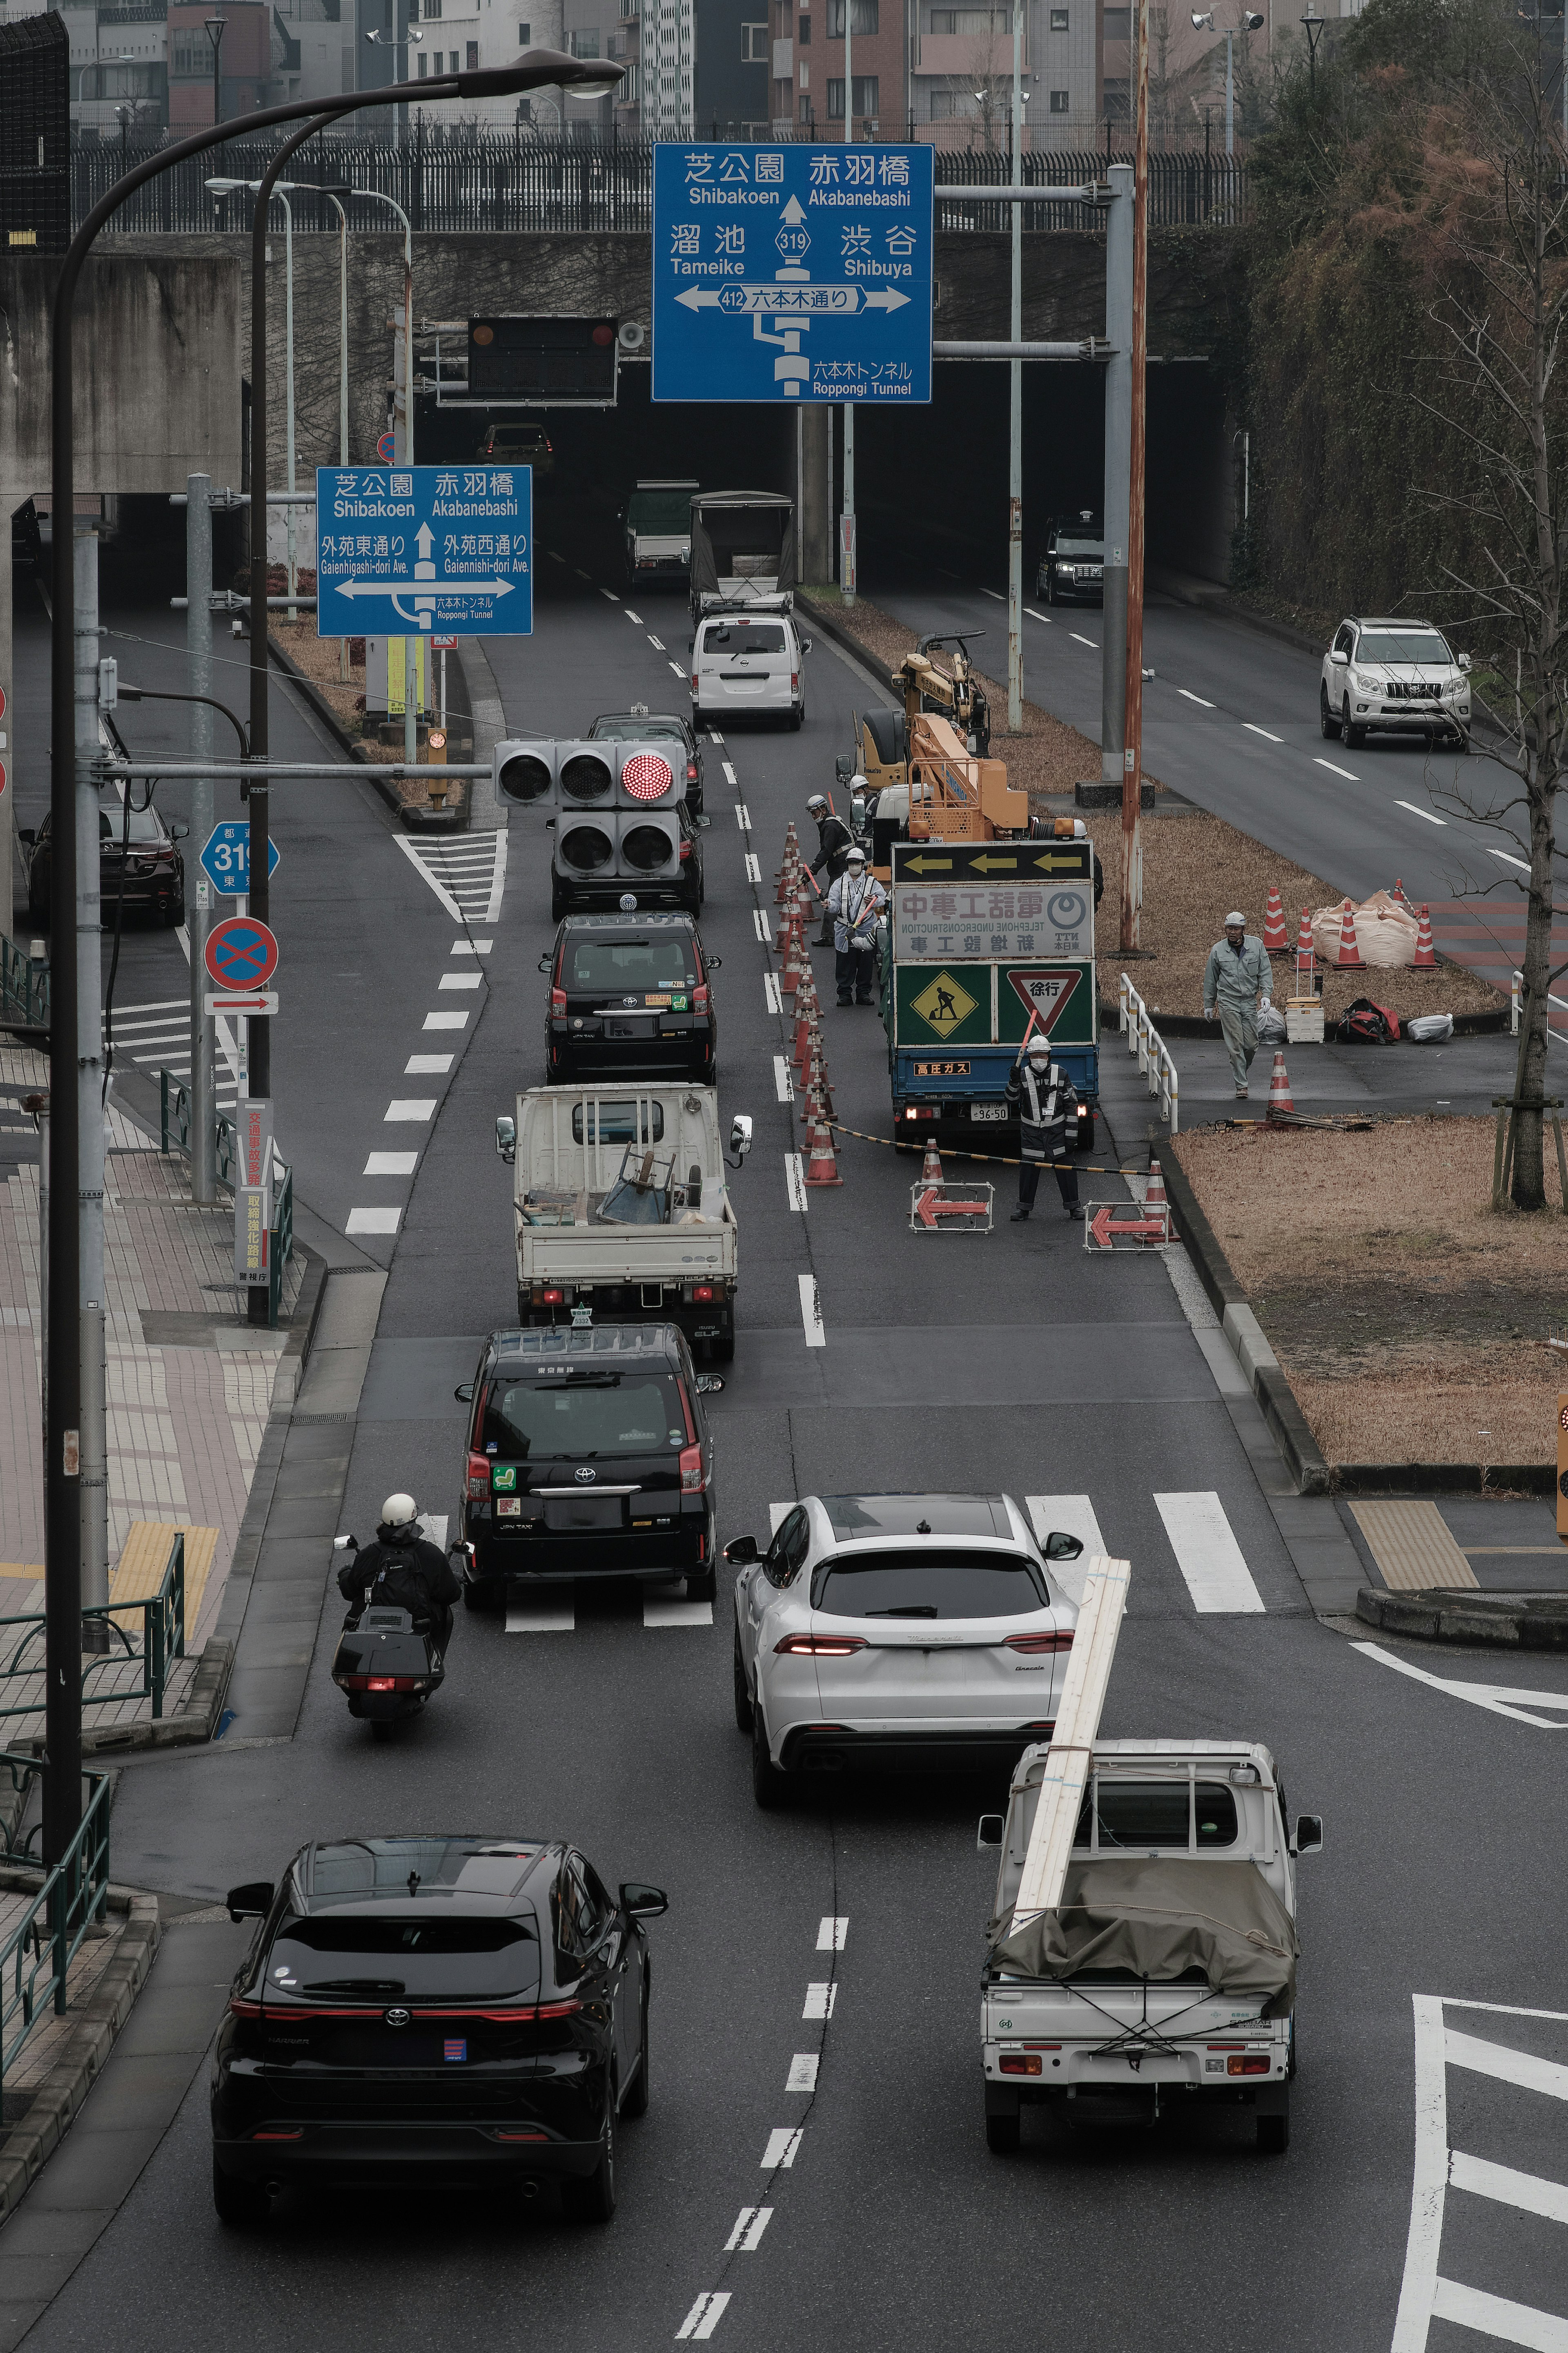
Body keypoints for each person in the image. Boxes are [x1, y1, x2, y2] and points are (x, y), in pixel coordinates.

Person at [338, 1493, 462, 1653]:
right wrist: (455, 1581)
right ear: (414, 1519)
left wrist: (345, 1575)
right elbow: (450, 1595)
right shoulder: (432, 1554)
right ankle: (435, 1655)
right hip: (418, 1636)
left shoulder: (369, 1554)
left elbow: (350, 1592)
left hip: (371, 1638)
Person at [1006, 1036, 1085, 1220]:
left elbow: (1071, 1107)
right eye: (1035, 1055)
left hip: (1057, 1132)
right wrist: (1014, 1082)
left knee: (1066, 1169)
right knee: (1028, 1172)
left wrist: (1071, 1137)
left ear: (1049, 1056)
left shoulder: (1061, 1074)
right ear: (1029, 1057)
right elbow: (1011, 1100)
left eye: (1042, 1055)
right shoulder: (1022, 1074)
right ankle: (1023, 1209)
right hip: (1032, 1134)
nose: (1039, 1059)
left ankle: (1074, 1208)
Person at [1203, 909, 1274, 1100]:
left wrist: (1266, 995)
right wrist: (1209, 1004)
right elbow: (1211, 979)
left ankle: (1241, 1068)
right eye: (1229, 929)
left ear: (1243, 929)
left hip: (1249, 1002)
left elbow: (1265, 972)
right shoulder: (1218, 950)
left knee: (1251, 1045)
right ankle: (1241, 1085)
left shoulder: (1257, 946)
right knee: (1235, 1045)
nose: (1232, 932)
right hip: (1228, 1001)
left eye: (1236, 929)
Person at [825, 846, 886, 1006]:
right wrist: (829, 905)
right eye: (852, 863)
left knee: (865, 962)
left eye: (857, 863)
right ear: (848, 864)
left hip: (865, 928)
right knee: (845, 961)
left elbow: (883, 898)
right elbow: (835, 904)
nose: (854, 866)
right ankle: (844, 994)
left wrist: (874, 900)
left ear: (862, 864)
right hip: (844, 928)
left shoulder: (871, 882)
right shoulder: (840, 883)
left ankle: (863, 993)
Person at [807, 792, 855, 944]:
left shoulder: (830, 825)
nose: (814, 817)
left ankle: (829, 936)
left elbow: (826, 851)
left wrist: (812, 870)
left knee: (832, 898)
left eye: (815, 813)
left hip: (843, 865)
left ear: (823, 809)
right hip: (844, 863)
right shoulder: (831, 822)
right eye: (812, 814)